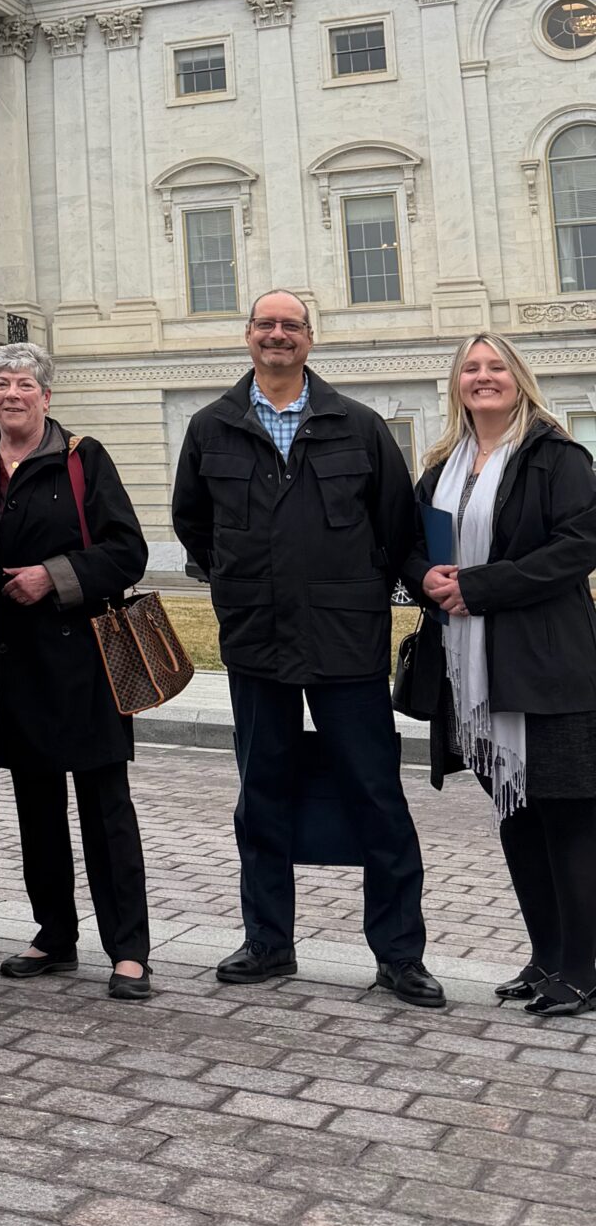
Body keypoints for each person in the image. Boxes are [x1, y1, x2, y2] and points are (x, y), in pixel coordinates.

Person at [171, 288, 441, 1007]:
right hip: (257, 640)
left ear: (310, 340)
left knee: (377, 796)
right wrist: (239, 584)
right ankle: (268, 942)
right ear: (248, 336)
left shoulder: (358, 426)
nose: (278, 335)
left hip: (347, 642)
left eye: (291, 326)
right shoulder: (211, 427)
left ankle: (399, 954)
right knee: (261, 794)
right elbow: (194, 527)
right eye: (267, 324)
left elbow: (395, 528)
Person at [410, 336, 596, 1018]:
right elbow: (412, 545)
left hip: (548, 667)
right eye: (471, 367)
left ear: (519, 379)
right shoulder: (442, 468)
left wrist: (482, 586)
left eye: (495, 367)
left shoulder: (557, 457)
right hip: (474, 672)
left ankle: (583, 967)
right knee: (516, 814)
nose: (483, 377)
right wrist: (423, 577)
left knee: (570, 818)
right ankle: (546, 956)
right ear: (456, 383)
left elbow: (578, 548)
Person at [0, 345, 152, 999]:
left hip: (84, 664)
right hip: (11, 665)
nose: (13, 394)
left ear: (46, 398)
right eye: (2, 384)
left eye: (25, 384)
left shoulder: (83, 458)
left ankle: (129, 950)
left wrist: (50, 576)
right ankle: (54, 933)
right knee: (36, 812)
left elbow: (126, 550)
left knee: (107, 813)